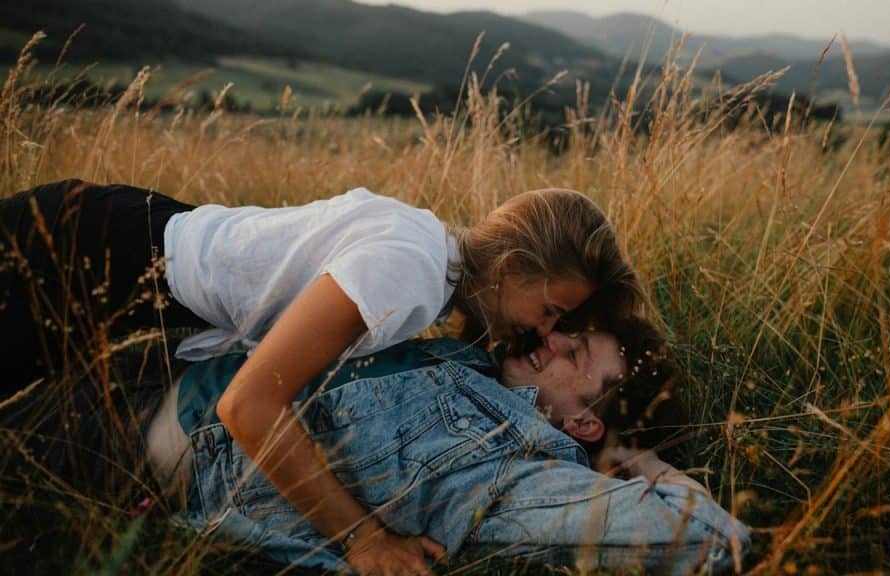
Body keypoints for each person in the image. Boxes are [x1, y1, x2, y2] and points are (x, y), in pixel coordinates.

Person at [0, 179, 646, 573]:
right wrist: (364, 539)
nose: (543, 330)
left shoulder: (430, 262)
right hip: (71, 254)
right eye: (549, 310)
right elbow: (248, 405)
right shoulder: (406, 270)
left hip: (127, 275)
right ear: (508, 266)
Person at [149, 317, 750, 575]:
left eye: (573, 355)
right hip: (172, 364)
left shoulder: (515, 463)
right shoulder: (476, 360)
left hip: (177, 441)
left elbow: (714, 540)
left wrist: (641, 463)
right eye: (566, 332)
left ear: (586, 424)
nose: (551, 338)